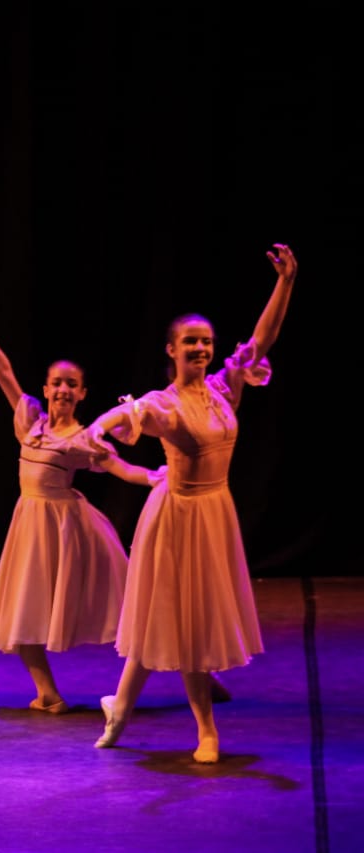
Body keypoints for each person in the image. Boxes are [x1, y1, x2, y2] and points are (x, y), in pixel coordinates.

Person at [89, 243, 297, 763]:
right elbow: (121, 416)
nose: (200, 349)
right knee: (185, 625)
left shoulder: (225, 389)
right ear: (171, 349)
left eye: (205, 342)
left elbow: (263, 338)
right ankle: (207, 731)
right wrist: (96, 428)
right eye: (190, 342)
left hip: (214, 513)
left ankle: (120, 707)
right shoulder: (165, 405)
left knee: (171, 621)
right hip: (179, 517)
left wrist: (286, 282)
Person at [0, 303, 168, 714]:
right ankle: (48, 693)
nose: (62, 389)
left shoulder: (84, 439)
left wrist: (156, 477)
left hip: (67, 528)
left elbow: (121, 467)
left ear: (82, 393)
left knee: (128, 608)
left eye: (71, 384)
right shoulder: (29, 421)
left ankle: (194, 672)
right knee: (20, 612)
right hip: (30, 525)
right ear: (45, 389)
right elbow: (2, 373)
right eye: (56, 383)